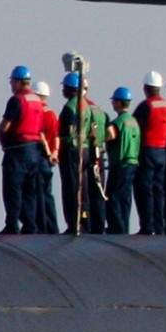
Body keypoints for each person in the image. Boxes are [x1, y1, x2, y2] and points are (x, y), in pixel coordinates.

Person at [0, 66, 45, 234]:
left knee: (13, 188)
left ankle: (12, 225)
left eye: (12, 82)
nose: (11, 85)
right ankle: (30, 225)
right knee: (30, 191)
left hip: (17, 150)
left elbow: (4, 127)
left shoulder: (17, 100)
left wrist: (4, 145)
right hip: (34, 151)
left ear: (17, 82)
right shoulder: (38, 100)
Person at [57, 72, 106, 235]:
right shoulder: (87, 105)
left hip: (72, 151)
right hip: (85, 150)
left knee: (72, 187)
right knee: (83, 189)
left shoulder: (70, 106)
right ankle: (85, 223)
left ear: (69, 88)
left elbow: (68, 129)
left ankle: (75, 224)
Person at [133, 72, 166, 235]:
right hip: (163, 151)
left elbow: (135, 126)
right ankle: (159, 226)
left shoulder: (146, 106)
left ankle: (147, 227)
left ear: (146, 88)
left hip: (148, 150)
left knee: (145, 189)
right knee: (159, 189)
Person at [26, 80, 61, 234]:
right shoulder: (52, 113)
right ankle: (52, 227)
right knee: (47, 194)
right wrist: (55, 153)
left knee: (37, 194)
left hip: (40, 157)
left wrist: (47, 153)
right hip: (50, 158)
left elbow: (41, 135)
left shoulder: (39, 113)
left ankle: (41, 227)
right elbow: (57, 136)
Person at [105, 86, 140, 234]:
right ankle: (124, 227)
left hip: (120, 163)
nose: (113, 104)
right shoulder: (134, 122)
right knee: (125, 198)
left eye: (114, 101)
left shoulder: (117, 122)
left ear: (119, 103)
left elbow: (110, 136)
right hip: (133, 163)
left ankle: (116, 229)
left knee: (113, 196)